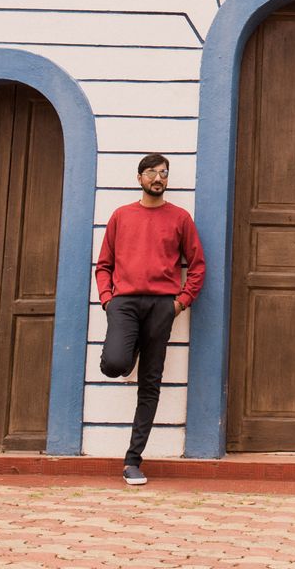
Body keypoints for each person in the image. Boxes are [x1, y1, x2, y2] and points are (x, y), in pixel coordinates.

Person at [96, 153, 206, 485]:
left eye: (164, 173)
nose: (158, 178)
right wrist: (107, 301)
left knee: (151, 383)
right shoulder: (121, 216)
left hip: (162, 305)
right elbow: (104, 264)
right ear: (139, 177)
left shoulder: (180, 218)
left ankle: (133, 460)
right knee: (114, 363)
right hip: (125, 303)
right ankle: (128, 353)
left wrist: (181, 302)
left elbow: (197, 265)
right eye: (152, 173)